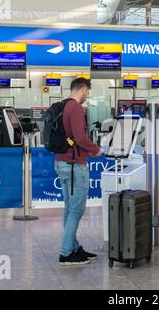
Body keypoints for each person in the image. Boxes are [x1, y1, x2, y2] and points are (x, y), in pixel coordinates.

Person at [55, 77, 103, 266]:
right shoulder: (75, 108)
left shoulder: (62, 106)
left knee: (69, 209)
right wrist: (96, 150)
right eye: (87, 93)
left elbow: (72, 139)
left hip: (62, 162)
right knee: (76, 210)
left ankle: (73, 247)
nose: (87, 97)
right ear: (82, 90)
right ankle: (66, 253)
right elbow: (81, 138)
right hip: (75, 165)